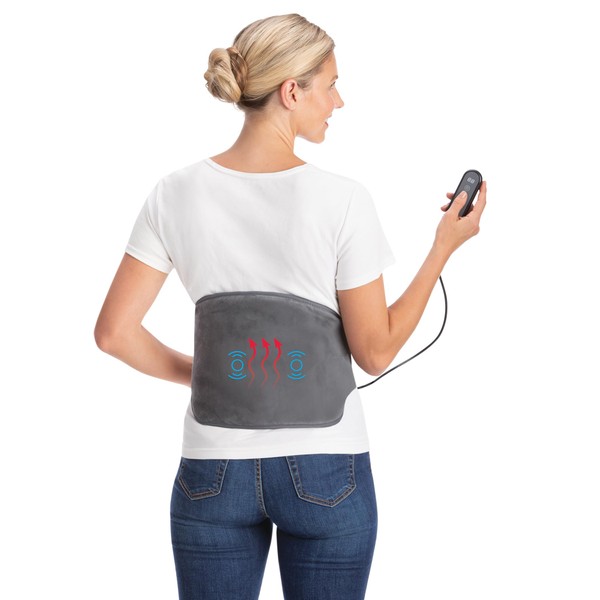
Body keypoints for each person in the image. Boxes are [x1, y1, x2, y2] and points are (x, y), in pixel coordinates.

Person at [94, 13, 486, 600]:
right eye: (331, 84)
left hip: (212, 469)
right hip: (327, 467)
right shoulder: (342, 200)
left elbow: (114, 334)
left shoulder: (173, 193)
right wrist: (442, 249)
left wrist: (215, 375)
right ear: (291, 91)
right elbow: (376, 351)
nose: (339, 101)